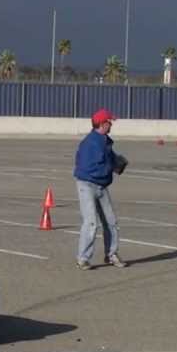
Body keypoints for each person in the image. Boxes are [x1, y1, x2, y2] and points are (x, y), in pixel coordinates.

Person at [74, 108, 128, 270]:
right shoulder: (89, 143)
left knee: (111, 221)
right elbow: (88, 168)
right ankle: (83, 258)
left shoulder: (106, 141)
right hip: (87, 185)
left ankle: (111, 254)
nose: (111, 124)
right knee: (91, 222)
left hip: (102, 185)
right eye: (109, 122)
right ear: (102, 124)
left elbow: (109, 159)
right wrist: (110, 167)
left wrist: (117, 164)